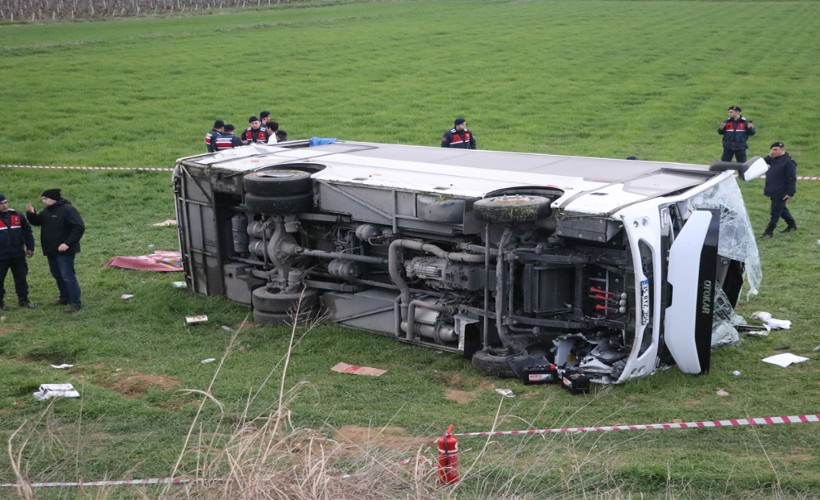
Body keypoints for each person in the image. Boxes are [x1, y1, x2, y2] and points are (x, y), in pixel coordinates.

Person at [25, 189, 86, 313]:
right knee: (57, 275)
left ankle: (75, 302)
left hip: (64, 251)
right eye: (42, 199)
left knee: (68, 276)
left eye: (45, 198)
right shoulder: (47, 211)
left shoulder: (68, 210)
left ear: (54, 198)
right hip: (51, 250)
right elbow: (37, 221)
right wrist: (31, 214)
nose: (43, 201)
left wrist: (67, 243)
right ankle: (64, 297)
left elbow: (79, 227)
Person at [0, 193, 35, 311]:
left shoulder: (17, 215)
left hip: (18, 254)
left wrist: (30, 247)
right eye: (1, 204)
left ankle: (24, 300)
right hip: (1, 256)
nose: (4, 205)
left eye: (5, 202)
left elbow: (27, 231)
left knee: (21, 278)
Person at [761, 141, 797, 238]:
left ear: (782, 149)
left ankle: (769, 232)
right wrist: (769, 156)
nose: (773, 151)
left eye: (775, 150)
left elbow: (792, 178)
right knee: (781, 209)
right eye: (772, 149)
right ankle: (792, 225)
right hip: (773, 189)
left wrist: (790, 192)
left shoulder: (789, 162)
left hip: (781, 191)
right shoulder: (773, 159)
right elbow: (762, 163)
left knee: (775, 212)